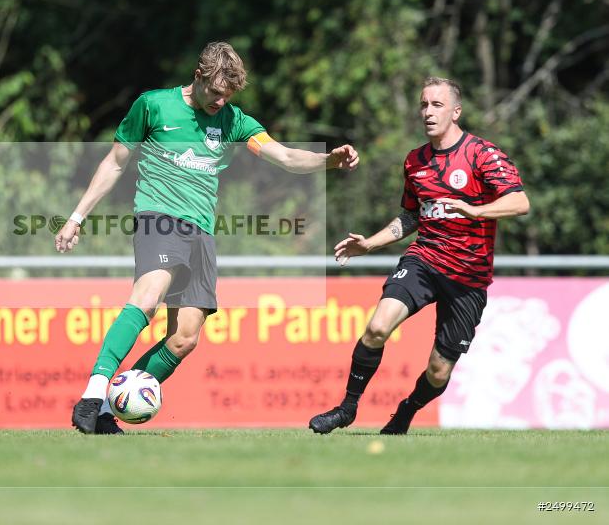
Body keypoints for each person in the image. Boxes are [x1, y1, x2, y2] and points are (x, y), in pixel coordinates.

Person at [54, 41, 360, 434]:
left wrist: (328, 160)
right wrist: (77, 217)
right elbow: (115, 162)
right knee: (146, 300)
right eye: (215, 93)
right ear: (198, 76)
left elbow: (283, 157)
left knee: (184, 339)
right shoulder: (153, 106)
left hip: (201, 232)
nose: (219, 102)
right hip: (158, 218)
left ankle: (106, 413)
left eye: (227, 96)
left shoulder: (234, 122)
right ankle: (93, 394)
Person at [308, 77, 529, 435]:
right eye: (424, 105)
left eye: (437, 105)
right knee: (378, 327)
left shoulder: (481, 154)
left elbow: (520, 201)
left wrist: (477, 211)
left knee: (439, 370)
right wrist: (370, 244)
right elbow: (412, 216)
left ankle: (406, 412)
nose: (428, 112)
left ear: (456, 112)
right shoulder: (415, 161)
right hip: (425, 259)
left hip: (468, 278)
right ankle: (347, 408)